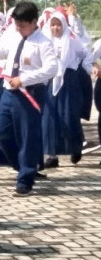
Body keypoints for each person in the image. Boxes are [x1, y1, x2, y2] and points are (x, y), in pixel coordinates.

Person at [0, 1, 58, 196]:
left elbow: (51, 69)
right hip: (9, 92)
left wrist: (24, 79)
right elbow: (4, 50)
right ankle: (22, 165)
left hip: (29, 94)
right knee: (1, 133)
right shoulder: (16, 37)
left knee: (27, 137)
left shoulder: (43, 42)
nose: (19, 28)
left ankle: (25, 180)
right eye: (17, 25)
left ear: (34, 22)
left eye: (23, 25)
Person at [40, 9, 93, 168]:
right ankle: (51, 154)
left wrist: (74, 64)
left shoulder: (71, 38)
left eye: (58, 25)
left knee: (69, 116)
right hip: (51, 81)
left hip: (69, 81)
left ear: (63, 25)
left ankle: (76, 148)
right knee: (50, 118)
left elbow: (84, 52)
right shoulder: (46, 40)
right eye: (53, 25)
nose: (55, 28)